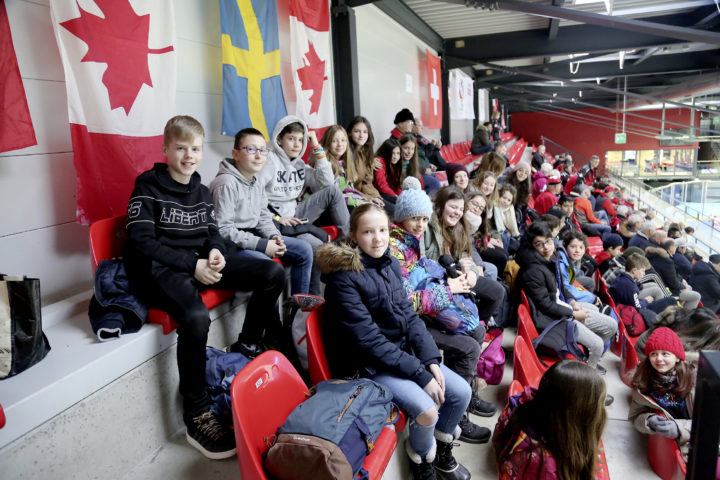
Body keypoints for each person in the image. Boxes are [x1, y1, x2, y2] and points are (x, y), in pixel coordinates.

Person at [124, 116, 285, 459]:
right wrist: (192, 266)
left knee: (272, 274)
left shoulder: (199, 190)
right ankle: (196, 413)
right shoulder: (147, 187)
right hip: (159, 270)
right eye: (180, 148)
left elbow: (212, 232)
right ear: (165, 149)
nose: (188, 155)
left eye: (194, 149)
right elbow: (141, 243)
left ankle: (248, 342)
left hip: (198, 263)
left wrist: (214, 252)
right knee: (196, 317)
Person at [317, 204, 472, 480]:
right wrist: (419, 373)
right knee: (427, 411)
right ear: (353, 236)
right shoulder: (342, 280)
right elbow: (369, 342)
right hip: (368, 366)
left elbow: (410, 317)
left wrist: (430, 361)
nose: (377, 239)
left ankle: (442, 447)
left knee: (461, 392)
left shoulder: (388, 263)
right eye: (368, 232)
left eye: (382, 230)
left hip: (399, 353)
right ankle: (422, 457)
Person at [388, 186, 496, 443]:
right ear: (402, 217)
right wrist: (449, 290)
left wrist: (451, 274)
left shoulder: (409, 243)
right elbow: (407, 303)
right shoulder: (395, 250)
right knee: (469, 347)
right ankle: (456, 416)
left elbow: (423, 273)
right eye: (415, 218)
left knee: (479, 329)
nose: (420, 224)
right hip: (409, 325)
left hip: (421, 318)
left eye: (424, 219)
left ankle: (467, 397)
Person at [210, 127, 313, 295]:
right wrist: (263, 245)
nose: (258, 156)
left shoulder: (256, 180)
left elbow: (263, 216)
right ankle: (269, 321)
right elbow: (224, 230)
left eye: (262, 150)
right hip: (232, 246)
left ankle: (298, 310)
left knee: (305, 249)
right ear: (235, 153)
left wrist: (274, 237)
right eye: (251, 149)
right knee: (270, 270)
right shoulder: (226, 183)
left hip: (254, 236)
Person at [259, 115, 350, 294]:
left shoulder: (299, 164)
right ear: (279, 139)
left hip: (295, 213)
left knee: (334, 192)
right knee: (318, 248)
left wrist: (316, 145)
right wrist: (277, 217)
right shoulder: (269, 161)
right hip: (277, 221)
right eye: (291, 139)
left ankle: (347, 246)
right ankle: (310, 301)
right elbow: (255, 198)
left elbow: (327, 181)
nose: (296, 145)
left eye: (300, 140)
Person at [515, 221, 616, 373]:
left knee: (612, 325)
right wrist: (573, 314)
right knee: (598, 344)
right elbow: (546, 306)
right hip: (554, 319)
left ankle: (587, 361)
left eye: (548, 241)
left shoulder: (550, 258)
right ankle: (588, 377)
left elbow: (561, 287)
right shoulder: (533, 271)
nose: (546, 247)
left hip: (563, 307)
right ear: (531, 246)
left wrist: (572, 301)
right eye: (539, 244)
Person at [493, 360, 607, 480]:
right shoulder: (548, 469)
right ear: (577, 418)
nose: (602, 413)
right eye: (598, 407)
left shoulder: (523, 407)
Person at [629, 328, 696, 456]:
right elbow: (635, 416)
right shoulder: (643, 381)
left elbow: (710, 422)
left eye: (665, 354)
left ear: (677, 358)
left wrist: (679, 428)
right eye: (653, 354)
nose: (658, 359)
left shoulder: (695, 379)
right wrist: (648, 420)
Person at [318, 125, 378, 209]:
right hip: (329, 206)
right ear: (327, 143)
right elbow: (335, 195)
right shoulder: (324, 164)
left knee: (375, 209)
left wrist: (367, 199)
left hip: (346, 201)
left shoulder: (345, 162)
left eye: (343, 140)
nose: (340, 145)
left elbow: (349, 190)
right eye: (334, 141)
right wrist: (362, 202)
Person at [609, 253, 678, 326]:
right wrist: (646, 301)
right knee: (671, 300)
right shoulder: (630, 287)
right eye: (643, 271)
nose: (644, 274)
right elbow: (637, 307)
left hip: (623, 308)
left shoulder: (622, 277)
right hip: (635, 315)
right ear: (634, 270)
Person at [346, 116, 389, 213]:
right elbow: (350, 188)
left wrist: (376, 197)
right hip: (357, 199)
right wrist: (368, 199)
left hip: (368, 196)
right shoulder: (347, 156)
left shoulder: (365, 152)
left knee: (398, 207)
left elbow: (367, 183)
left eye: (365, 132)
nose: (361, 135)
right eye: (357, 131)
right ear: (349, 133)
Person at [646, 239, 701, 309]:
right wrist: (683, 286)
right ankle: (684, 315)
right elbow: (673, 283)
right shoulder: (667, 261)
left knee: (688, 287)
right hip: (667, 290)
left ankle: (679, 307)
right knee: (696, 296)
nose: (676, 248)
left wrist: (681, 280)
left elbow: (673, 274)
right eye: (675, 246)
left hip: (659, 285)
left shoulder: (652, 255)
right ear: (671, 248)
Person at [465, 192, 509, 278]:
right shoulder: (464, 217)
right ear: (467, 201)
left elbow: (482, 234)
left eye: (480, 208)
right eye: (474, 204)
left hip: (477, 247)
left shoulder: (476, 221)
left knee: (504, 251)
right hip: (465, 256)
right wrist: (479, 264)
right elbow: (470, 245)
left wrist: (487, 240)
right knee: (496, 264)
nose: (476, 209)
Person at [373, 138, 405, 205]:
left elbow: (398, 185)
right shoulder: (380, 161)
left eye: (398, 153)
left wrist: (400, 196)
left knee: (404, 202)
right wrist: (395, 196)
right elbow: (382, 185)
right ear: (386, 153)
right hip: (378, 194)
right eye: (392, 153)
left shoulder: (396, 164)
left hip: (388, 193)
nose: (395, 157)